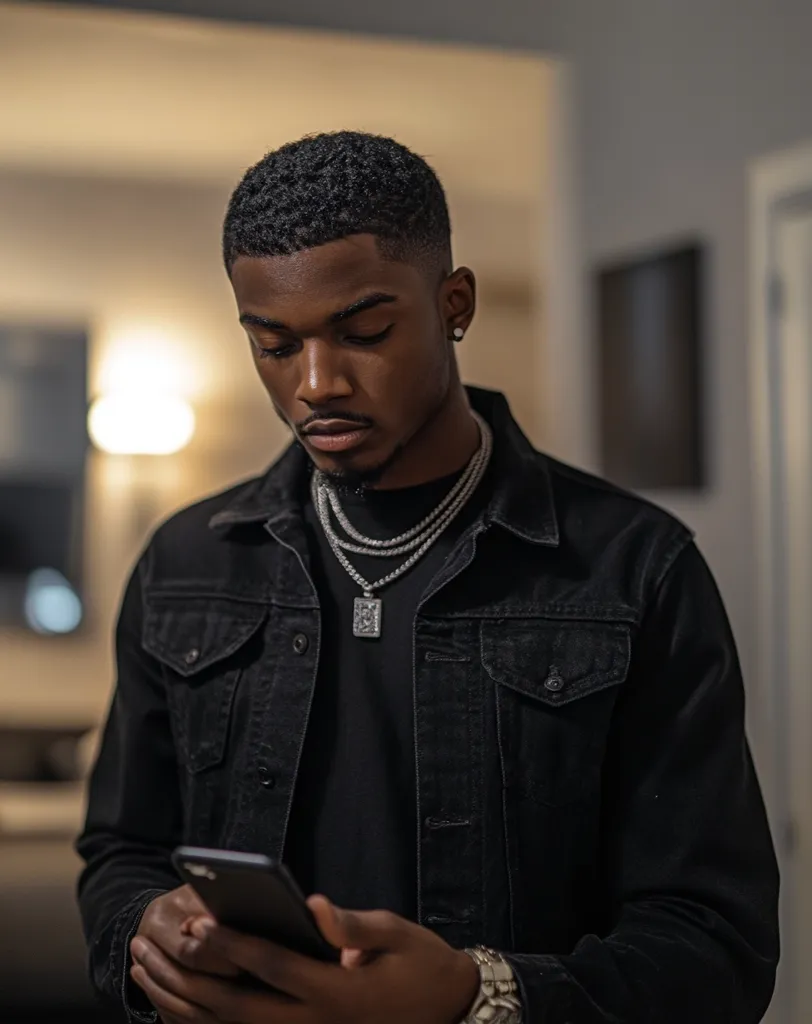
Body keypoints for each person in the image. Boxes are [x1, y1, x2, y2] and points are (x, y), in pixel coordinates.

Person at [76, 131, 779, 1024]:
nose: (316, 383)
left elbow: (717, 947)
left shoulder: (637, 568)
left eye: (364, 332)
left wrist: (472, 997)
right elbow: (122, 851)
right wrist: (144, 930)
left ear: (455, 303)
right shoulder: (186, 563)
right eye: (274, 345)